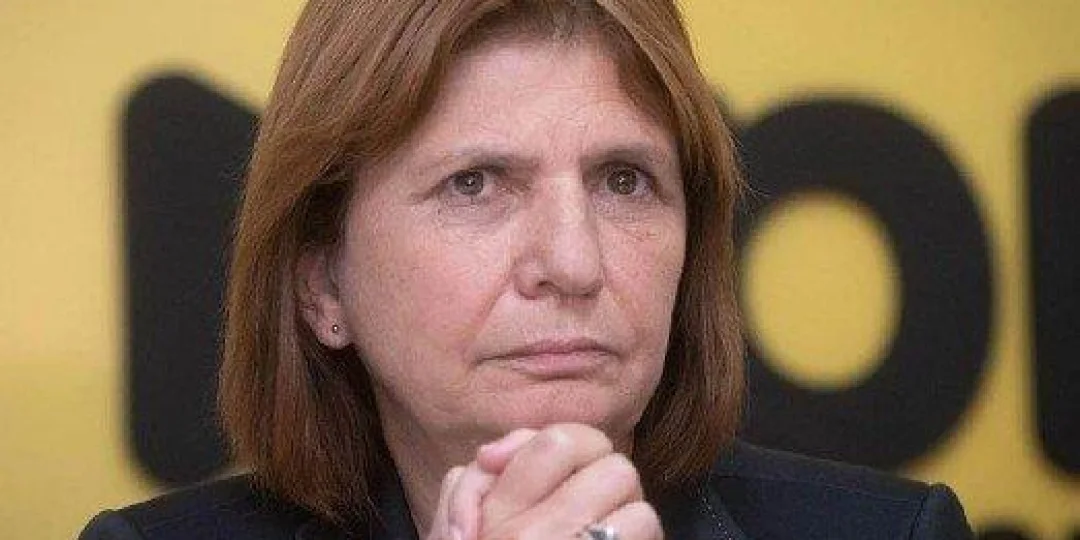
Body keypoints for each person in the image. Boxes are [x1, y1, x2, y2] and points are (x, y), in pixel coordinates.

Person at [80, 0, 974, 538]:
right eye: (474, 184)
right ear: (322, 284)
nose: (572, 263)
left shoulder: (894, 534)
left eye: (624, 181)